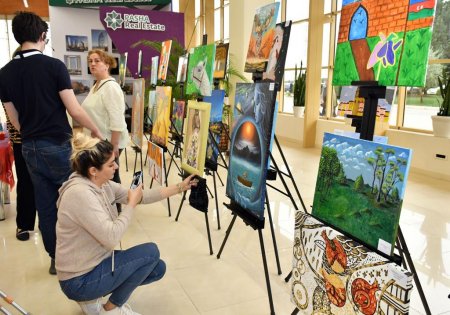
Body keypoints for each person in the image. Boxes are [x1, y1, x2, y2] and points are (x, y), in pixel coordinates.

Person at [0, 11, 103, 275]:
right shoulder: (53, 66)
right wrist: (96, 130)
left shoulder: (5, 73)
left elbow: (13, 118)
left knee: (45, 205)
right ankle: (84, 257)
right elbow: (74, 110)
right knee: (76, 199)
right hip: (57, 144)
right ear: (42, 35)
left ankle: (57, 259)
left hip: (29, 146)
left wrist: (33, 132)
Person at [56, 134, 196, 315]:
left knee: (157, 268)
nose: (116, 166)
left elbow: (140, 196)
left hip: (95, 263)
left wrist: (179, 187)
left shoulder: (102, 184)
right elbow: (111, 237)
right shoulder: (80, 194)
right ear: (93, 170)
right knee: (151, 252)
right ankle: (109, 309)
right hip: (78, 281)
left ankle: (95, 301)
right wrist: (130, 206)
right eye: (111, 164)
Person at [82, 49, 128, 186]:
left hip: (108, 141)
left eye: (97, 61)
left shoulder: (110, 87)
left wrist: (113, 146)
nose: (92, 64)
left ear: (107, 65)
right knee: (103, 179)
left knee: (110, 180)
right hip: (98, 141)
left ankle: (116, 207)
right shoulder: (96, 85)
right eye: (90, 61)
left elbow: (117, 119)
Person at [2, 106, 36, 241]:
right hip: (21, 138)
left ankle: (47, 220)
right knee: (25, 181)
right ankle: (24, 224)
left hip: (44, 134)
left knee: (46, 182)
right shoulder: (7, 84)